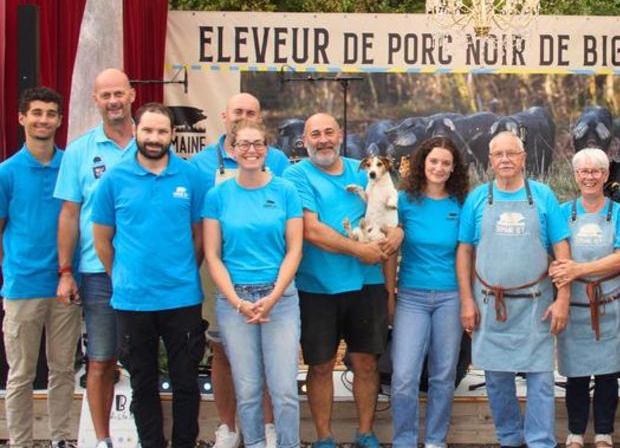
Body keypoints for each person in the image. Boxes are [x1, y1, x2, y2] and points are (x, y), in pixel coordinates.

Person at [91, 103, 209, 448]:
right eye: (148, 131)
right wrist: (125, 276)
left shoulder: (191, 178)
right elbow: (102, 241)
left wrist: (184, 272)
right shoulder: (114, 180)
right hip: (132, 300)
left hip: (182, 298)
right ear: (136, 131)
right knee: (142, 383)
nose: (155, 138)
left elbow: (199, 236)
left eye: (162, 131)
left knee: (186, 381)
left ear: (173, 135)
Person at [282, 113, 402, 448]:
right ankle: (324, 437)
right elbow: (311, 230)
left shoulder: (364, 170)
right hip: (316, 287)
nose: (323, 140)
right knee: (320, 366)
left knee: (367, 362)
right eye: (315, 134)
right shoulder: (295, 175)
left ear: (340, 136)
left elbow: (391, 222)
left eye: (329, 132)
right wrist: (357, 251)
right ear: (304, 141)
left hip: (368, 286)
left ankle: (365, 432)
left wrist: (390, 290)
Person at [457, 131, 571, 448]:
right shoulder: (478, 197)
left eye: (512, 153)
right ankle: (509, 438)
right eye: (498, 154)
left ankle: (540, 442)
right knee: (495, 378)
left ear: (523, 158)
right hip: (488, 304)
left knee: (541, 379)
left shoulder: (544, 196)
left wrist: (562, 298)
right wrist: (467, 300)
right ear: (490, 160)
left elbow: (562, 251)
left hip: (537, 305)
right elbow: (464, 250)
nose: (505, 159)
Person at [189, 92, 290, 448]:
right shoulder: (201, 163)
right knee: (222, 351)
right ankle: (228, 427)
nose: (242, 117)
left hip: (270, 275)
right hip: (219, 270)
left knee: (266, 359)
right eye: (237, 112)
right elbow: (197, 223)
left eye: (251, 112)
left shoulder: (278, 160)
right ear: (224, 116)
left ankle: (267, 426)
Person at [54, 68, 136, 448]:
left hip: (145, 274)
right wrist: (66, 271)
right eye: (106, 95)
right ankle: (103, 440)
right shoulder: (80, 150)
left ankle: (144, 435)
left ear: (132, 94)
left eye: (119, 93)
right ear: (96, 101)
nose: (113, 101)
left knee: (144, 361)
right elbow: (70, 214)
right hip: (97, 272)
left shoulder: (152, 141)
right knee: (101, 360)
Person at [0, 87, 80, 448]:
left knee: (63, 371)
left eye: (50, 113)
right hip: (22, 287)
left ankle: (62, 439)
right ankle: (20, 442)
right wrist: (13, 268)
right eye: (36, 113)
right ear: (21, 118)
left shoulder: (72, 166)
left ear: (60, 120)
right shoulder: (7, 172)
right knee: (20, 375)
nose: (43, 119)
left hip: (65, 287)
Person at [551, 148, 620, 448]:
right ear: (576, 176)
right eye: (583, 171)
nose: (589, 177)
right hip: (574, 307)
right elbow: (555, 256)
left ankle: (604, 433)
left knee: (608, 373)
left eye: (596, 171)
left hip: (611, 306)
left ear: (605, 175)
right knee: (575, 374)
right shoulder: (562, 213)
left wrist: (578, 269)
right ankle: (575, 433)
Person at [390, 136, 470, 448]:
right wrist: (388, 294)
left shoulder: (461, 204)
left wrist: (467, 299)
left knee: (443, 375)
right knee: (405, 376)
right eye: (433, 161)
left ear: (454, 169)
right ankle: (404, 440)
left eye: (446, 163)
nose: (439, 167)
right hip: (411, 296)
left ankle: (436, 440)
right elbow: (391, 250)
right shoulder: (403, 202)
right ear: (422, 163)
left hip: (450, 297)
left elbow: (467, 254)